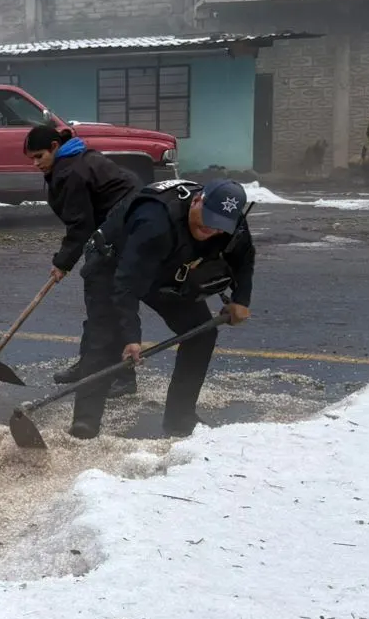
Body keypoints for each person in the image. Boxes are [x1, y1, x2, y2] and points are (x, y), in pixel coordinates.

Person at [69, 178, 254, 440]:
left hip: (166, 268)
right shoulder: (154, 222)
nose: (211, 229)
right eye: (207, 219)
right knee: (107, 338)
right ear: (198, 200)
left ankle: (180, 419)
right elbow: (126, 284)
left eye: (219, 225)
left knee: (201, 333)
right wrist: (132, 337)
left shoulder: (230, 221)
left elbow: (244, 258)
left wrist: (241, 299)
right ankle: (85, 423)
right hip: (113, 265)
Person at [24, 125, 140, 395]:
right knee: (97, 304)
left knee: (109, 304)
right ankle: (89, 364)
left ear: (55, 146)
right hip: (109, 230)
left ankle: (124, 377)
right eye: (31, 158)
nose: (35, 163)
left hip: (122, 234)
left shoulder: (72, 171)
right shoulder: (73, 159)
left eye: (39, 156)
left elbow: (80, 224)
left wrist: (63, 262)